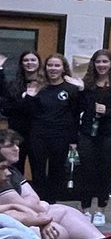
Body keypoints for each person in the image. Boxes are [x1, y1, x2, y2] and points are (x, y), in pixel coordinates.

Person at [0, 139, 111, 239]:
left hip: (26, 215)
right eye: (10, 146)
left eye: (17, 144)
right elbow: (13, 212)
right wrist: (41, 220)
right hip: (12, 223)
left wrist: (39, 212)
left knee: (63, 211)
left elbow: (31, 200)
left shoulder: (11, 170)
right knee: (59, 234)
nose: (16, 148)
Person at [18, 53, 83, 204]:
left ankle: (52, 204)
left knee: (57, 172)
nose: (53, 68)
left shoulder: (71, 89)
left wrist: (74, 140)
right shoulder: (38, 87)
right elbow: (28, 113)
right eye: (50, 65)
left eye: (57, 65)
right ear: (45, 68)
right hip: (38, 136)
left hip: (61, 137)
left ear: (63, 68)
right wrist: (29, 96)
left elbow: (75, 115)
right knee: (38, 172)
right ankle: (40, 203)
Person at [77, 49, 111, 224]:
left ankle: (100, 210)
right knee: (86, 171)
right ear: (93, 64)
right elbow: (77, 106)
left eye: (105, 62)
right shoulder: (86, 84)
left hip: (109, 134)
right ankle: (85, 209)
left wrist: (108, 111)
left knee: (104, 171)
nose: (101, 65)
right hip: (87, 133)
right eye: (98, 62)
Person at [1, 50, 42, 172]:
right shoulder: (14, 85)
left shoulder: (45, 85)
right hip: (17, 133)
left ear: (39, 63)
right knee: (16, 169)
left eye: (33, 60)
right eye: (26, 60)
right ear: (21, 63)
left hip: (39, 134)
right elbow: (7, 108)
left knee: (38, 169)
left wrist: (23, 102)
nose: (29, 63)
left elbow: (42, 109)